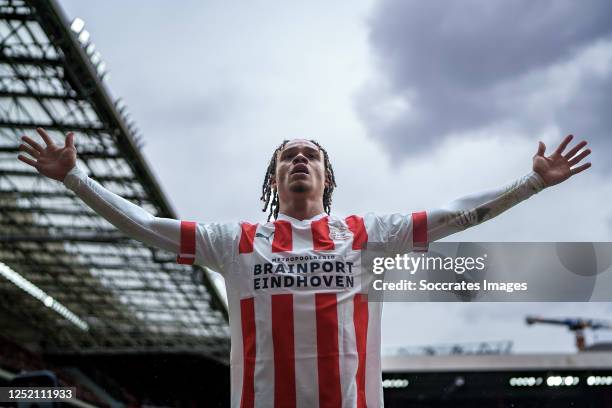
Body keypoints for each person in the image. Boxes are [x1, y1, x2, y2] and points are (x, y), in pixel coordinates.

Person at [18, 128, 591, 407]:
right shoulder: (235, 241)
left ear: (326, 178)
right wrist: (75, 178)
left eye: (309, 154)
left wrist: (533, 182)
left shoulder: (366, 236)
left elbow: (457, 215)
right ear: (273, 181)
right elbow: (145, 225)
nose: (298, 159)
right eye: (287, 155)